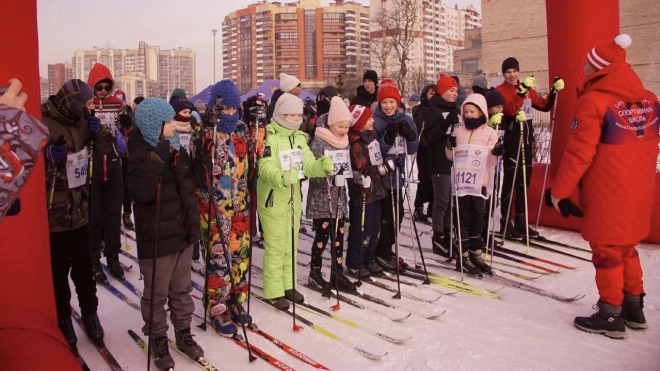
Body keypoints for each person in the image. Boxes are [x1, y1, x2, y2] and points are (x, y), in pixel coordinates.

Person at [547, 34, 658, 339]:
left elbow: (579, 153)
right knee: (626, 247)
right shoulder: (651, 100)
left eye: (587, 62)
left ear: (599, 68)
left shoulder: (594, 102)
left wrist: (560, 191)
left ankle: (611, 313)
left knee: (607, 249)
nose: (583, 66)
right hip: (640, 189)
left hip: (608, 190)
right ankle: (634, 308)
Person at [128, 98, 204, 369]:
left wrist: (201, 155)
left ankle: (183, 333)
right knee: (157, 294)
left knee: (182, 290)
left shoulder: (175, 148)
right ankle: (158, 337)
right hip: (158, 236)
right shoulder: (139, 153)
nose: (175, 125)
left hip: (181, 232)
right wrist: (159, 154)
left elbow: (193, 182)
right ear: (155, 125)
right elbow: (140, 192)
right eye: (169, 122)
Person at [43, 79, 105, 353]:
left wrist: (98, 131)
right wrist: (46, 153)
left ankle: (90, 314)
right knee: (58, 271)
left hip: (80, 207)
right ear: (74, 103)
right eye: (89, 102)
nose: (94, 107)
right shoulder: (43, 120)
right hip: (53, 212)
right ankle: (63, 318)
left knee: (84, 267)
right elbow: (28, 158)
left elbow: (103, 149)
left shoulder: (83, 119)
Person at [257, 93, 334, 310]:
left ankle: (287, 284)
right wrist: (281, 177)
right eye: (291, 114)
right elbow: (265, 166)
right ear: (281, 114)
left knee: (291, 244)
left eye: (299, 114)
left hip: (293, 199)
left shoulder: (300, 138)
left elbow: (307, 163)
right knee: (276, 246)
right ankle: (273, 290)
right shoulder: (269, 136)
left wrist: (321, 166)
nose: (295, 118)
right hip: (273, 198)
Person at [195, 80, 253, 336]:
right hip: (215, 206)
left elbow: (249, 161)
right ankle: (217, 306)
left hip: (240, 203)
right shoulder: (206, 130)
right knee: (219, 258)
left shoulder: (241, 129)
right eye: (225, 109)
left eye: (234, 109)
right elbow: (197, 165)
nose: (230, 114)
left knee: (240, 254)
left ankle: (235, 299)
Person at [495, 57, 564, 240]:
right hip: (511, 139)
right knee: (510, 180)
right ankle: (505, 221)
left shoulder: (527, 90)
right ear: (504, 74)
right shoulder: (501, 90)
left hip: (526, 139)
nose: (512, 75)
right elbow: (509, 109)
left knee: (524, 182)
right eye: (508, 72)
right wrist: (521, 91)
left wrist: (554, 91)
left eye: (515, 71)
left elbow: (544, 106)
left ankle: (521, 220)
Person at [445, 94, 499, 274]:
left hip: (479, 182)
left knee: (478, 219)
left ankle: (476, 252)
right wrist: (449, 145)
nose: (468, 115)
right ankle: (463, 254)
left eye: (472, 112)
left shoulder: (490, 133)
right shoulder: (459, 131)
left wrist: (497, 152)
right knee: (462, 219)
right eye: (466, 112)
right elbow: (451, 157)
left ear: (481, 112)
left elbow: (491, 162)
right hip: (461, 183)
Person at [306, 96, 354, 292]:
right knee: (322, 237)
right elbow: (312, 170)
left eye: (346, 127)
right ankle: (315, 272)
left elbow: (347, 168)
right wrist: (329, 175)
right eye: (340, 126)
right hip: (321, 200)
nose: (343, 131)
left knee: (338, 237)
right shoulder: (320, 142)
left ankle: (337, 271)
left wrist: (352, 177)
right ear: (331, 124)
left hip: (339, 199)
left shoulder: (345, 142)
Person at [372, 79, 418, 271]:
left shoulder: (405, 119)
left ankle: (388, 247)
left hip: (398, 176)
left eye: (392, 102)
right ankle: (380, 249)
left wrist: (410, 135)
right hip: (381, 177)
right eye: (384, 102)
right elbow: (375, 152)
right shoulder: (375, 120)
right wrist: (388, 136)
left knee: (397, 214)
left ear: (398, 102)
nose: (388, 106)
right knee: (385, 215)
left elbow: (412, 149)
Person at [86, 63, 127, 282]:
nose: (102, 91)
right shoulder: (86, 105)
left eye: (106, 87)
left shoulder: (118, 104)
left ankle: (113, 256)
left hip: (112, 162)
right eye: (98, 87)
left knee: (113, 213)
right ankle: (93, 259)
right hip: (92, 163)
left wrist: (127, 126)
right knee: (94, 215)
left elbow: (124, 130)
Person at [345, 104, 388, 278]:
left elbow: (377, 158)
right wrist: (380, 170)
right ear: (359, 122)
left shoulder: (371, 137)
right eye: (369, 118)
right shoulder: (356, 143)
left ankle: (369, 258)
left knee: (375, 227)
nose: (373, 120)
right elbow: (361, 168)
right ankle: (355, 262)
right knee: (362, 229)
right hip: (364, 192)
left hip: (377, 190)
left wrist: (387, 163)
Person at [424, 74, 459, 257]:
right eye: (451, 90)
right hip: (439, 161)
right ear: (442, 91)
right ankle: (438, 237)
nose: (455, 94)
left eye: (456, 91)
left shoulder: (454, 108)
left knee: (450, 201)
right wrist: (446, 122)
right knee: (442, 200)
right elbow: (429, 137)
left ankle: (447, 233)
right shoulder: (433, 110)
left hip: (454, 160)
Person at [482, 90, 506, 246]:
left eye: (501, 107)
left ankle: (486, 232)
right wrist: (489, 124)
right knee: (484, 203)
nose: (499, 110)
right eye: (496, 107)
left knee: (492, 201)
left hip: (496, 166)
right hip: (483, 169)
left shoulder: (502, 121)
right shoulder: (482, 121)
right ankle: (481, 233)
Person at [412, 84, 436, 224]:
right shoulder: (419, 109)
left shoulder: (439, 108)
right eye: (430, 93)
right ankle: (419, 207)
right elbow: (417, 124)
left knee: (436, 178)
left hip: (436, 147)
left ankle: (433, 206)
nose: (433, 96)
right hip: (423, 146)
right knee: (424, 178)